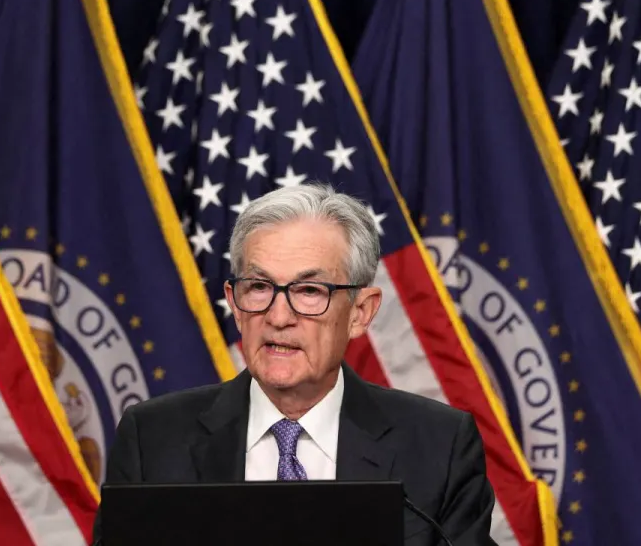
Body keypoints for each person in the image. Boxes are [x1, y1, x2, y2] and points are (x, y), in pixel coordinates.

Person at [95, 182, 499, 545]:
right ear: (235, 303)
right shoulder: (153, 440)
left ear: (360, 312)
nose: (278, 316)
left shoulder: (439, 447)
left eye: (309, 290)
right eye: (259, 287)